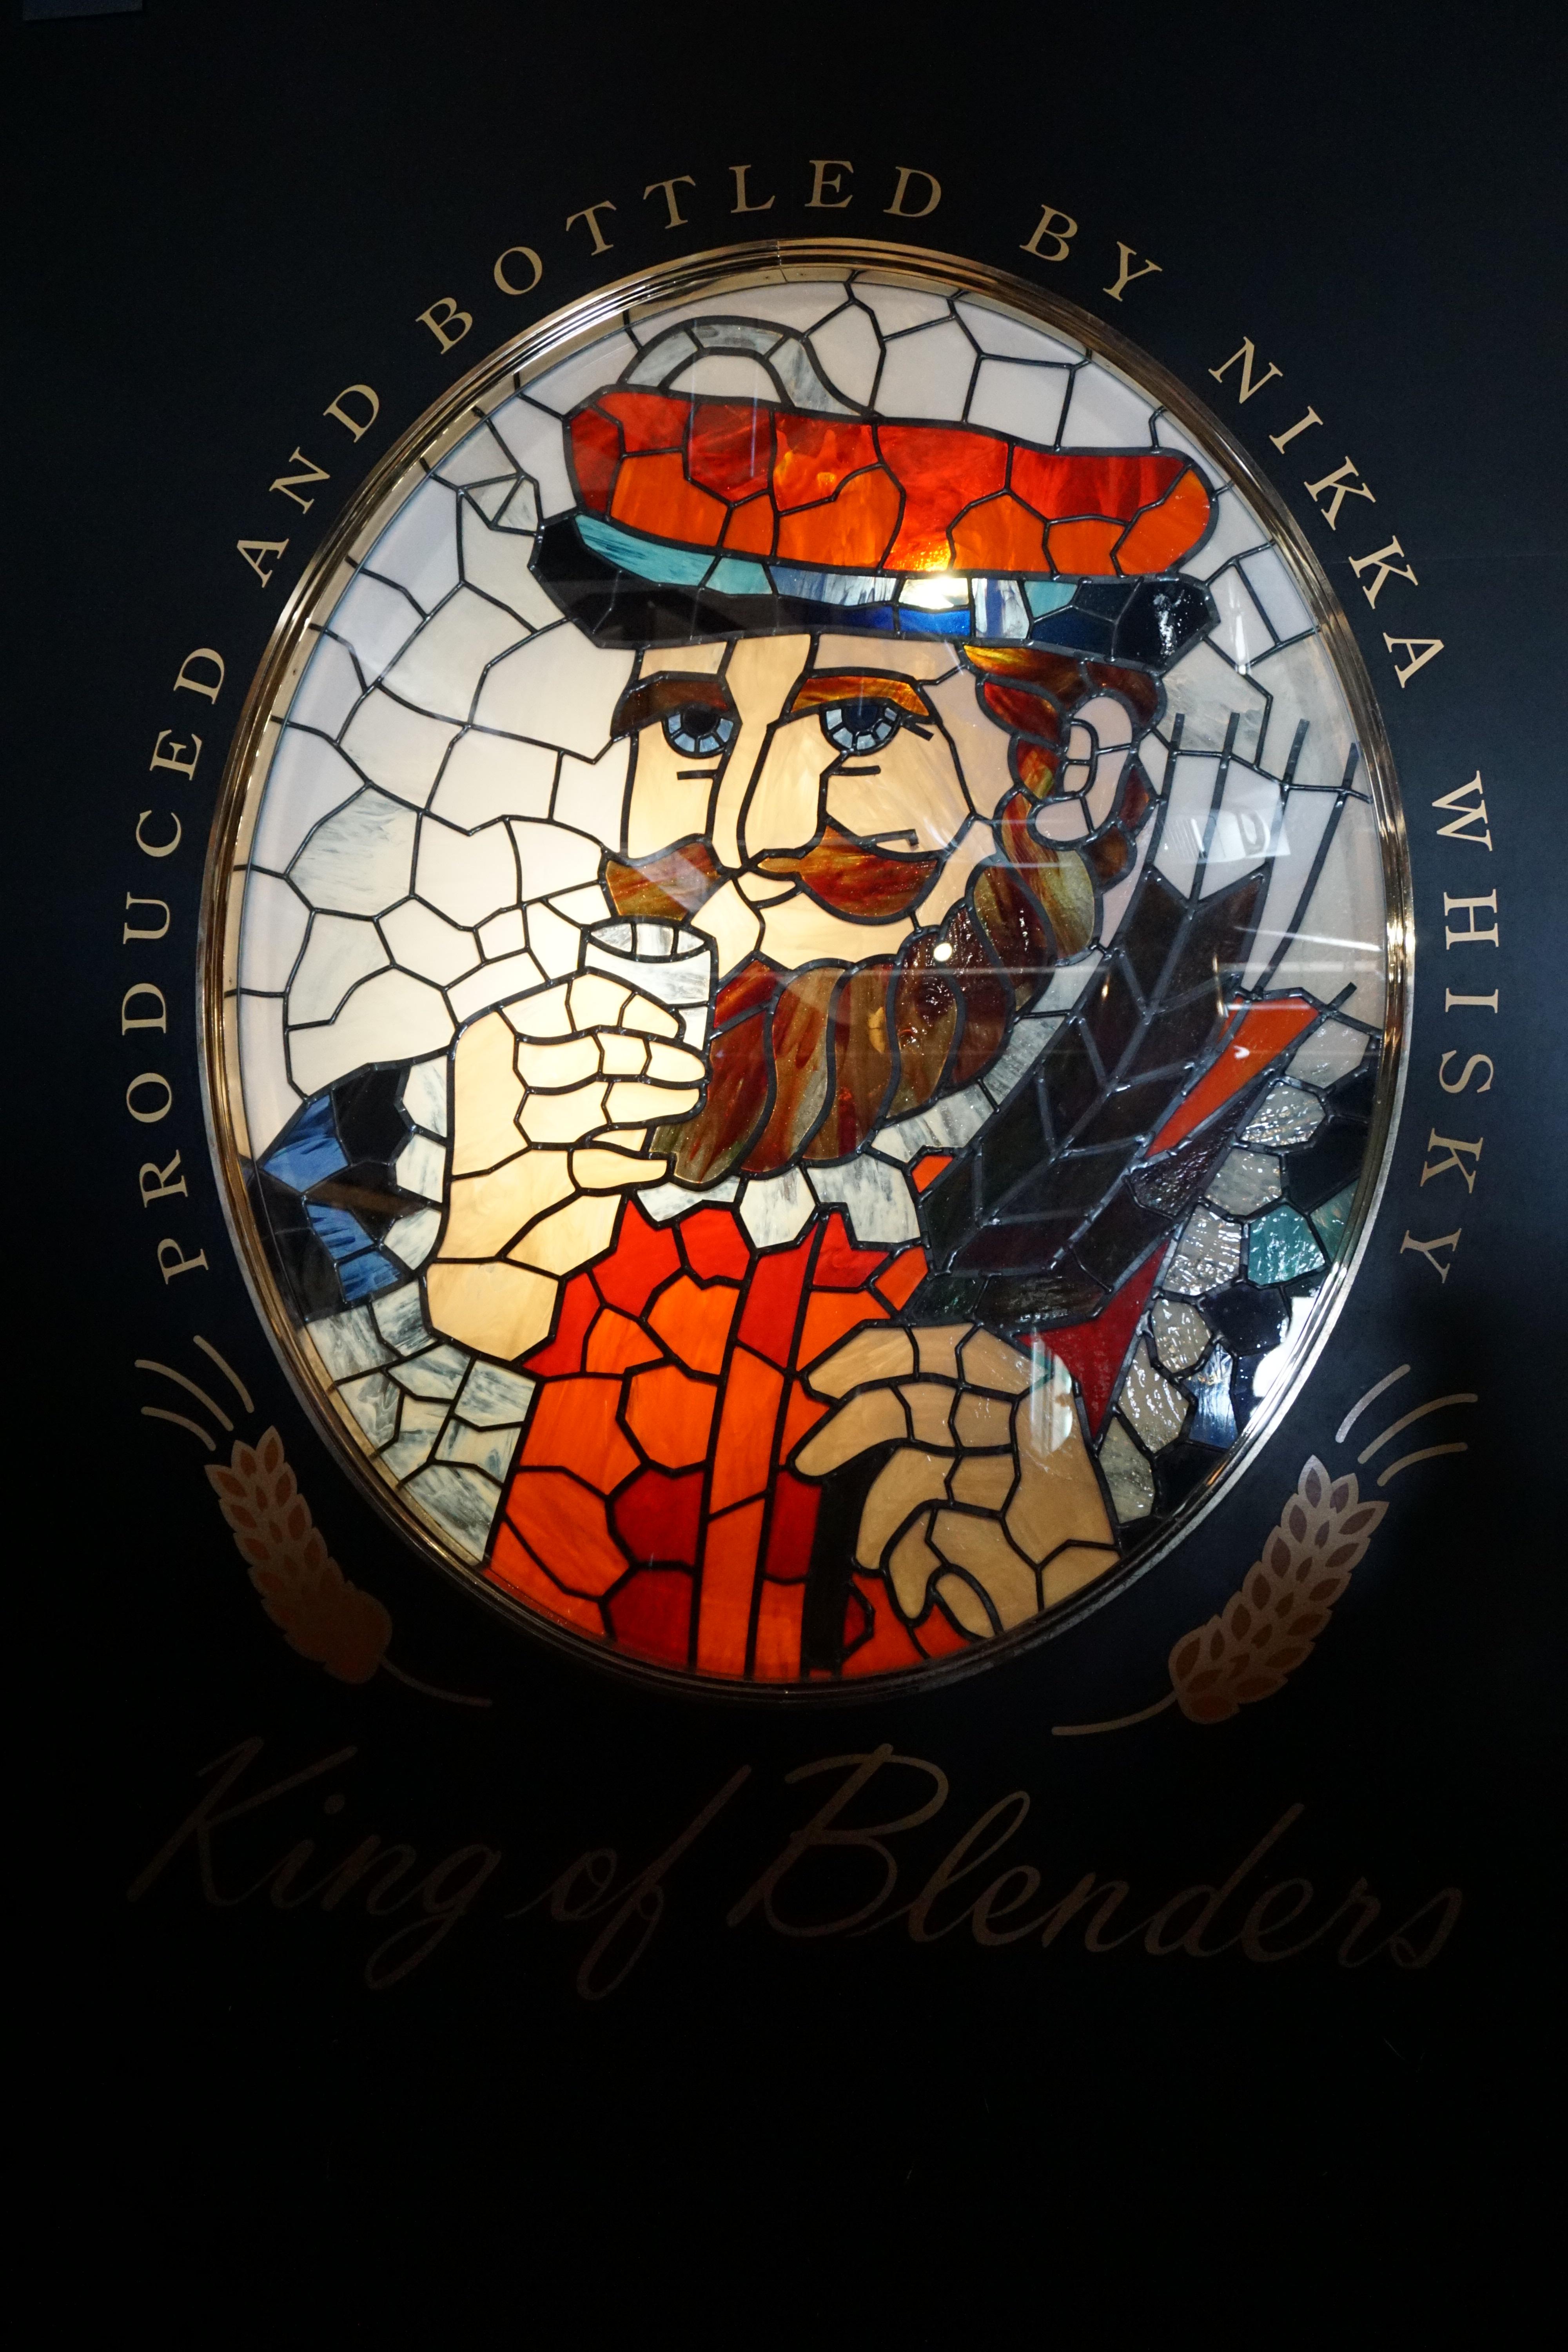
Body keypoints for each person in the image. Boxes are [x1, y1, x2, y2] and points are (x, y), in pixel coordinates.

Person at [252, 307, 1338, 1684]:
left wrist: (1077, 1579)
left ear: (1073, 771)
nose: (756, 828)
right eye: (695, 727)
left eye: (864, 722)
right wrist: (480, 1293)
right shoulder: (382, 1150)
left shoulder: (1268, 1156)